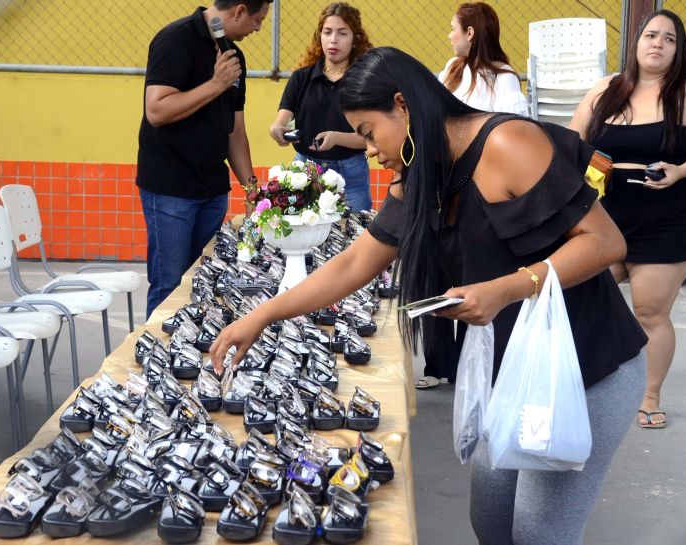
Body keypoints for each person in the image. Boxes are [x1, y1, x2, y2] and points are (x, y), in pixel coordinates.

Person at [213, 46, 649, 544]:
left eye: (369, 134)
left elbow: (606, 243)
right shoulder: (420, 175)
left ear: (402, 104)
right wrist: (263, 315)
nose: (370, 151)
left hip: (587, 370)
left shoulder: (506, 143)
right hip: (517, 374)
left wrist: (505, 290)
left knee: (538, 534)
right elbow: (358, 261)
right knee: (489, 519)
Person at [570, 10, 686, 429]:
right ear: (636, 43)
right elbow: (574, 141)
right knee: (585, 301)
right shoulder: (607, 89)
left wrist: (680, 170)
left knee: (650, 312)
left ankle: (649, 396)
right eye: (651, 35)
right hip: (605, 215)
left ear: (679, 50)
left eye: (670, 39)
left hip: (666, 216)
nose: (658, 43)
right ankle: (585, 383)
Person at [136, 0, 272, 318]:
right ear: (238, 11)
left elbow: (235, 130)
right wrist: (216, 84)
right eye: (257, 19)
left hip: (211, 189)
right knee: (169, 284)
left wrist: (251, 189)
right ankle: (155, 362)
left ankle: (190, 355)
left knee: (205, 281)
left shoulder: (233, 57)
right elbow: (156, 111)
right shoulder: (175, 39)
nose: (258, 28)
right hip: (170, 189)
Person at [418, 1, 528, 390]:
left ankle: (473, 363)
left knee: (473, 273)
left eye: (454, 28)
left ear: (471, 33)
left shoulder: (504, 79)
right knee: (436, 268)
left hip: (478, 192)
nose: (449, 35)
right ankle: (436, 365)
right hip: (442, 184)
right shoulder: (450, 70)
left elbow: (514, 131)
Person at [268, 2, 373, 211]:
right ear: (320, 36)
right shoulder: (301, 78)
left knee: (355, 235)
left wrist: (336, 138)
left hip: (350, 171)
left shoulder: (365, 81)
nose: (333, 40)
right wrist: (277, 131)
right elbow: (280, 122)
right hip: (305, 172)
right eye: (327, 32)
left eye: (342, 33)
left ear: (355, 39)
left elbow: (372, 139)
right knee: (306, 238)